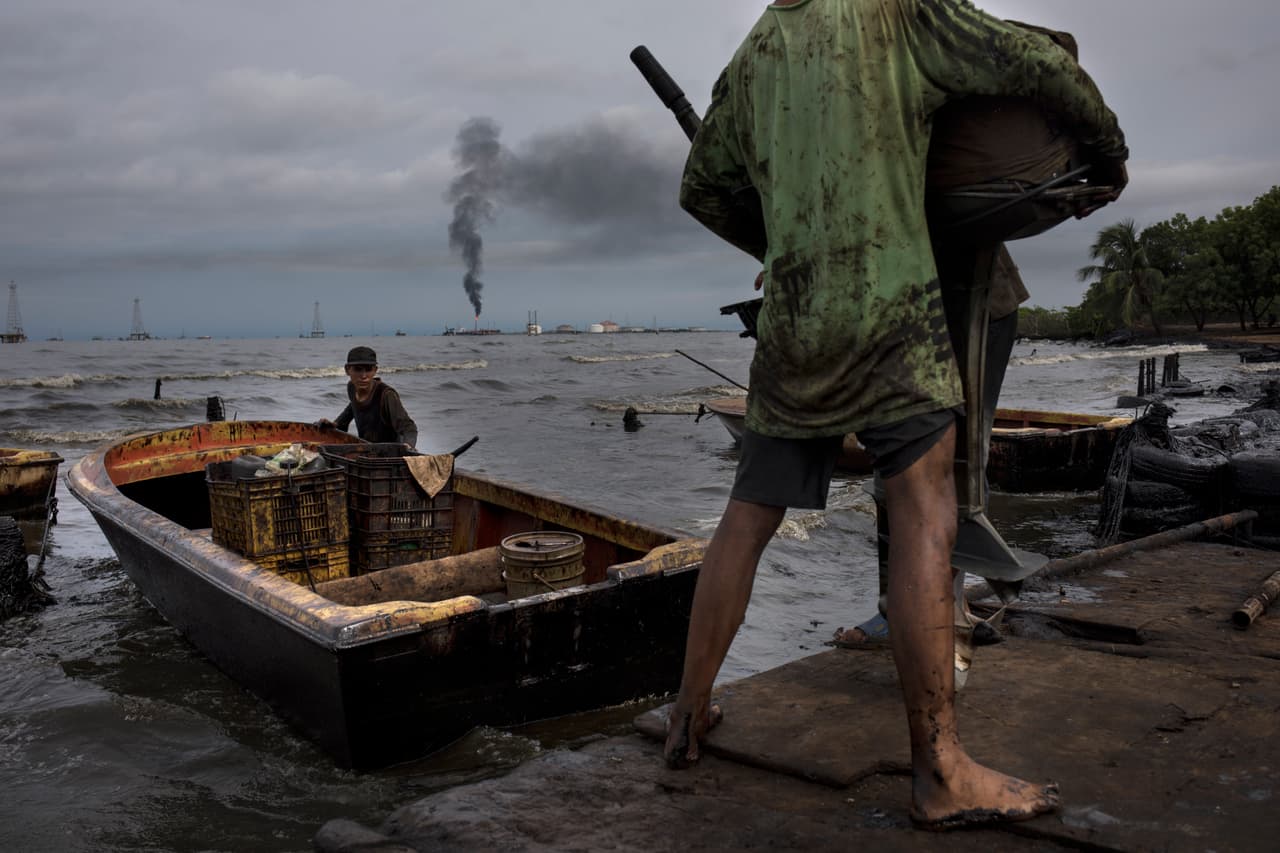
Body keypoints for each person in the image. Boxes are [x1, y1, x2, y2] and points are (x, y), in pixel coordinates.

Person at [666, 0, 1127, 832]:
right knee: (925, 507)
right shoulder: (900, 12)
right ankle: (941, 767)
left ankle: (687, 714)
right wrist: (1109, 154)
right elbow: (1041, 65)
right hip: (893, 310)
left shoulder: (758, 47)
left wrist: (778, 245)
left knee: (747, 515)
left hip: (794, 320)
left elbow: (701, 186)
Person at [317, 346, 419, 447]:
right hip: (366, 448)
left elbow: (409, 428)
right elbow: (353, 407)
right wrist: (335, 424)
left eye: (368, 369)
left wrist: (407, 447)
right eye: (358, 369)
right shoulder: (352, 387)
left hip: (387, 453)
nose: (364, 376)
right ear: (347, 370)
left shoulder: (386, 395)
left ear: (375, 370)